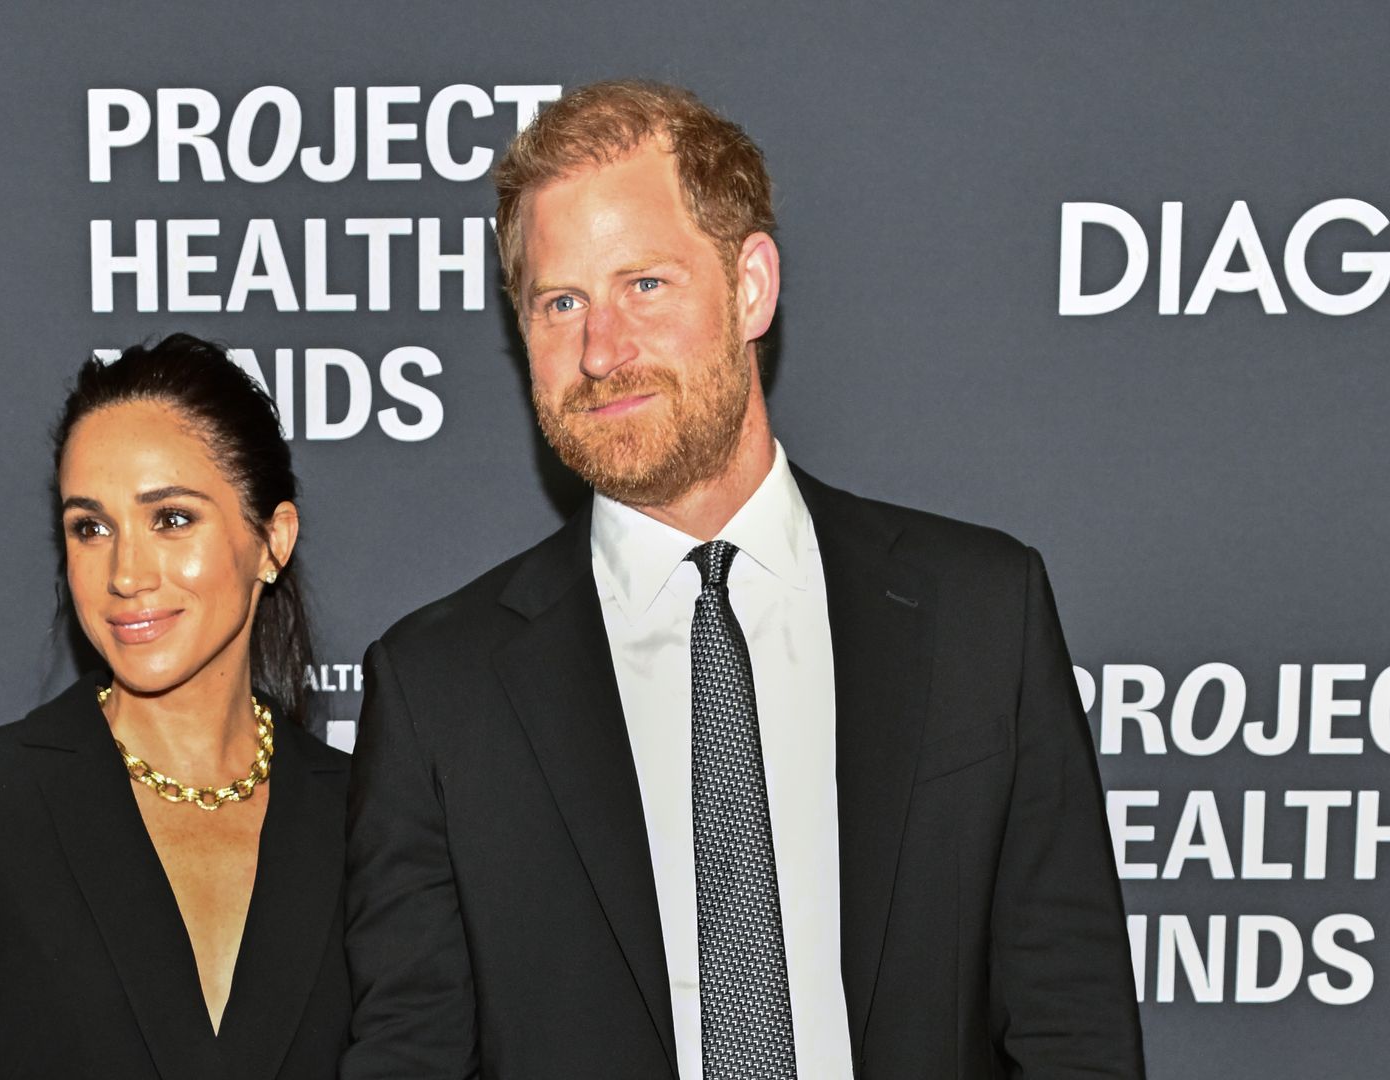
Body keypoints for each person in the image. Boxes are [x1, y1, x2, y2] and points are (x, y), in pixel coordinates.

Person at [342, 82, 1144, 1079]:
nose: (601, 351)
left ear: (751, 286)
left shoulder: (980, 614)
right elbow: (409, 1053)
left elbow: (1075, 1028)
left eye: (645, 285)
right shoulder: (439, 688)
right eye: (560, 304)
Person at [0, 334, 349, 1079]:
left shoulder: (367, 815)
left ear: (271, 540)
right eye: (90, 528)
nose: (126, 574)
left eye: (171, 519)